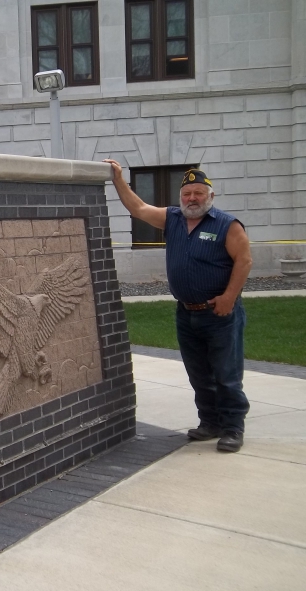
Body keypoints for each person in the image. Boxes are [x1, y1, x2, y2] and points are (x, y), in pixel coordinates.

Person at [103, 160, 253, 452]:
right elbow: (138, 208)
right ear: (180, 197)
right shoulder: (172, 218)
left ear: (210, 196)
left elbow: (244, 261)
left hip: (220, 314)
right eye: (187, 194)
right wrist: (118, 179)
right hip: (187, 313)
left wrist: (229, 298)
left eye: (198, 193)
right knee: (198, 374)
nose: (192, 199)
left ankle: (233, 427)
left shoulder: (226, 225)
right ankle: (210, 422)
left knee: (226, 374)